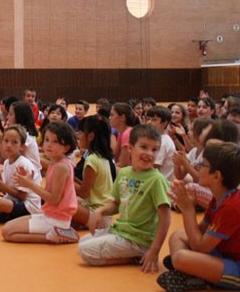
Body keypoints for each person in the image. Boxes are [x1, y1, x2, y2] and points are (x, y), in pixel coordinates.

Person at [157, 142, 240, 292]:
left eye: (203, 165)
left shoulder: (232, 206)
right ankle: (194, 272)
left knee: (180, 258)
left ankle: (197, 275)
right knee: (177, 236)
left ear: (217, 176)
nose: (198, 167)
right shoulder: (220, 198)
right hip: (227, 255)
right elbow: (199, 233)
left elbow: (199, 246)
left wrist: (187, 209)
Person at [78, 124, 172, 272]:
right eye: (144, 147)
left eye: (154, 149)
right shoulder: (124, 173)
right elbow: (116, 204)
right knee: (83, 241)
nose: (149, 153)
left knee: (86, 252)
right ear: (130, 148)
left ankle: (138, 254)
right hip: (121, 230)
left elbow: (165, 217)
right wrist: (100, 211)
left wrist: (154, 250)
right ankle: (134, 254)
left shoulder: (156, 180)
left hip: (138, 238)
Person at [2, 122, 79, 244]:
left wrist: (30, 184)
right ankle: (57, 233)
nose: (49, 145)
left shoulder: (61, 167)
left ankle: (54, 237)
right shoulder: (55, 163)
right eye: (47, 140)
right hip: (50, 215)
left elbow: (54, 200)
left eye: (55, 142)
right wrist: (28, 180)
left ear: (66, 147)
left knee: (7, 232)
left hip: (56, 219)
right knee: (7, 227)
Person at [0, 125, 42, 224]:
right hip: (13, 200)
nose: (9, 145)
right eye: (6, 141)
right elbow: (8, 193)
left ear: (22, 147)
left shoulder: (23, 164)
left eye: (14, 142)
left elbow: (22, 196)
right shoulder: (7, 163)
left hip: (28, 207)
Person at [71, 115, 115, 229]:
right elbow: (88, 187)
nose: (78, 136)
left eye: (81, 133)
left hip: (97, 214)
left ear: (90, 136)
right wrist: (71, 176)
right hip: (101, 211)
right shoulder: (102, 156)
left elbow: (84, 192)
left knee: (63, 202)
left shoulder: (91, 160)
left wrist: (65, 181)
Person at [147, 106, 176, 181]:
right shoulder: (156, 139)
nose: (149, 122)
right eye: (148, 119)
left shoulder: (164, 141)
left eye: (154, 120)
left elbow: (154, 166)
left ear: (164, 123)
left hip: (163, 184)